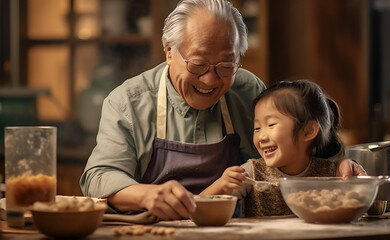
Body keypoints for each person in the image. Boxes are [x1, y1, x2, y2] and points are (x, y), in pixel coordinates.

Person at [80, 0, 365, 221]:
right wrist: (147, 195)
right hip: (155, 230)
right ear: (169, 51)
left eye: (226, 66)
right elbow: (98, 176)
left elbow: (288, 151)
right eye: (198, 64)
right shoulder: (128, 101)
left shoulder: (247, 90)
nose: (210, 80)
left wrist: (335, 167)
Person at [200, 80, 367, 217]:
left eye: (271, 124)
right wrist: (222, 184)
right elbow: (197, 209)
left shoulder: (329, 175)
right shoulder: (251, 173)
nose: (262, 137)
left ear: (308, 131)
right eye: (257, 128)